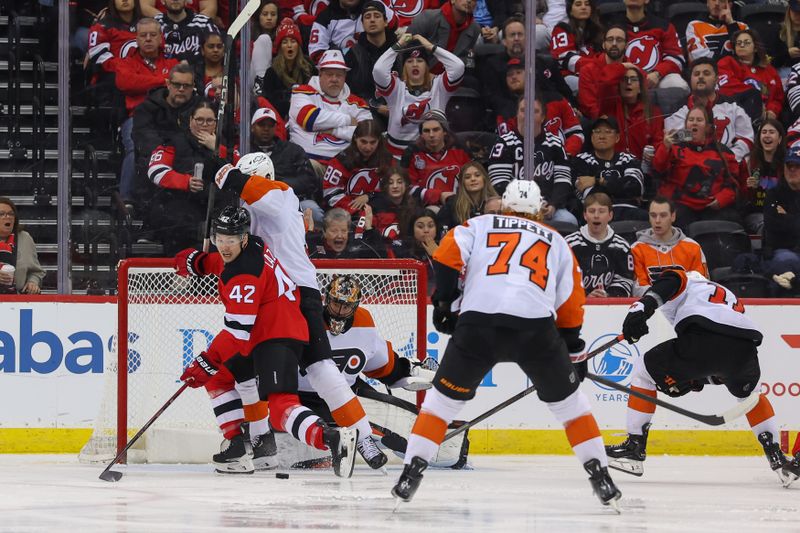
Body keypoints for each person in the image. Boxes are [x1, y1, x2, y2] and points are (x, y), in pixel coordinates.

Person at [391, 179, 621, 510]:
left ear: (504, 204)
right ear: (540, 209)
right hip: (534, 329)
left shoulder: (480, 224)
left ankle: (411, 473)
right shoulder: (556, 241)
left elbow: (446, 253)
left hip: (478, 324)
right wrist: (572, 349)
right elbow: (571, 301)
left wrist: (444, 302)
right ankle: (601, 476)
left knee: (440, 405)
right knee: (571, 407)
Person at [213, 153, 388, 468]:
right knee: (249, 369)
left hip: (291, 298)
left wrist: (222, 168)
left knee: (313, 372)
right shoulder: (257, 209)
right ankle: (263, 443)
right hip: (282, 298)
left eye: (249, 179)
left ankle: (360, 440)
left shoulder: (279, 194)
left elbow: (247, 187)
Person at [174, 207, 359, 476]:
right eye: (220, 239)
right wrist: (200, 263)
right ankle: (249, 447)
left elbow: (237, 333)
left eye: (231, 240)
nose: (225, 246)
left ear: (243, 239)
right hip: (271, 332)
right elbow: (226, 262)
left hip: (276, 336)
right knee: (222, 377)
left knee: (281, 404)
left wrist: (206, 361)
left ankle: (331, 438)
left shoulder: (245, 277)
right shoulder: (255, 246)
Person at [606, 268, 800, 488]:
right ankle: (777, 459)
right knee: (750, 397)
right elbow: (719, 363)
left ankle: (634, 447)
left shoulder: (686, 280)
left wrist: (641, 308)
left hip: (705, 336)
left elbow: (673, 279)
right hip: (744, 349)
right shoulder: (721, 293)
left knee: (643, 371)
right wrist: (696, 379)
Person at [104, 17, 179, 205]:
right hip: (136, 118)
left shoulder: (173, 63)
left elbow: (179, 86)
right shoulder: (125, 62)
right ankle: (126, 200)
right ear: (135, 39)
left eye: (153, 35)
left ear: (161, 38)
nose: (148, 39)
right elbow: (126, 82)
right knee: (133, 148)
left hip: (169, 117)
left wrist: (144, 81)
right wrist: (163, 82)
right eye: (143, 35)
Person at [145, 100, 230, 254]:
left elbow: (243, 169)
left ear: (216, 124)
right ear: (190, 120)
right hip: (181, 210)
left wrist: (218, 149)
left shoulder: (226, 145)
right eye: (199, 120)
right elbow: (156, 170)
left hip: (216, 210)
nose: (204, 124)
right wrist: (186, 182)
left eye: (209, 120)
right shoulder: (174, 141)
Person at [487, 96, 578, 225]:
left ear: (543, 117)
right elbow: (499, 183)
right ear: (517, 114)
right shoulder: (504, 143)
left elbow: (563, 180)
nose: (528, 115)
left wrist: (553, 205)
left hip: (548, 207)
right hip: (513, 208)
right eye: (523, 110)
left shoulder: (555, 143)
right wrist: (528, 205)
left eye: (534, 111)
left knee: (569, 221)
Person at [373, 33, 465, 158]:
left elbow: (458, 66)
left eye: (420, 60)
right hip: (396, 156)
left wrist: (430, 46)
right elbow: (379, 70)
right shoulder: (396, 88)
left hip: (430, 155)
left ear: (427, 66)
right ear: (404, 66)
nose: (415, 64)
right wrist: (398, 45)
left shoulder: (440, 87)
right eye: (409, 61)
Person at [654, 105, 744, 229]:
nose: (694, 123)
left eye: (699, 120)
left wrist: (722, 199)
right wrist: (665, 147)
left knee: (732, 220)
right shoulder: (674, 146)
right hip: (681, 206)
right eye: (691, 120)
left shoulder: (723, 152)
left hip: (712, 207)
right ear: (686, 125)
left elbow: (734, 184)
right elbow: (658, 169)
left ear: (707, 127)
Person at [288, 49, 372, 171]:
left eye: (339, 75)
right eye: (329, 74)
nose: (334, 79)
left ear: (345, 77)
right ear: (320, 74)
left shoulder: (358, 103)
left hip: (346, 169)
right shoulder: (302, 92)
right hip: (307, 165)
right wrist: (348, 120)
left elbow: (367, 135)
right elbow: (310, 119)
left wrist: (332, 130)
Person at [133, 62, 200, 206]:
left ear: (193, 86)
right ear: (168, 84)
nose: (181, 89)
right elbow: (144, 139)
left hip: (191, 165)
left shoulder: (201, 108)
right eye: (177, 85)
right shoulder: (146, 108)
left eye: (187, 86)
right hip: (157, 164)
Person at [665, 58, 754, 163]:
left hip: (728, 166)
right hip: (691, 166)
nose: (701, 77)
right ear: (690, 79)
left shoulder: (733, 106)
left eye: (706, 73)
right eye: (696, 74)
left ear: (716, 79)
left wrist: (728, 158)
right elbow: (674, 139)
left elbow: (746, 139)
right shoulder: (678, 108)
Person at [589, 37, 664, 160]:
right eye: (624, 79)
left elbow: (658, 142)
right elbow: (605, 81)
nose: (628, 83)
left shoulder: (654, 113)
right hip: (614, 166)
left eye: (633, 79)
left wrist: (654, 153)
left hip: (642, 167)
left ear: (640, 87)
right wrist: (623, 66)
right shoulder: (609, 105)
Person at [611, 0, 689, 116]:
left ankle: (675, 124)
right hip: (624, 77)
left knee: (678, 84)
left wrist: (657, 73)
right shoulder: (613, 27)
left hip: (657, 77)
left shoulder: (664, 26)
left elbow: (676, 58)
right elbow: (608, 58)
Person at [249, 107, 321, 223]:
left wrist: (279, 184)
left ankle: (313, 241)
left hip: (291, 201)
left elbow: (308, 180)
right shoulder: (245, 150)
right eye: (262, 125)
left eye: (270, 125)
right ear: (252, 127)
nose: (266, 129)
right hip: (255, 203)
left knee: (313, 211)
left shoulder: (293, 150)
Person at [571, 116, 646, 222]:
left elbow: (635, 187)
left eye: (608, 132)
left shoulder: (628, 159)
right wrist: (620, 187)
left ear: (617, 138)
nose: (602, 136)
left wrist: (597, 181)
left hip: (631, 212)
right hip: (598, 214)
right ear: (591, 137)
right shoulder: (581, 160)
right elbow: (591, 196)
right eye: (597, 132)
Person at [631, 196, 709, 296]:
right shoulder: (637, 249)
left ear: (673, 216)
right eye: (653, 215)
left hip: (686, 306)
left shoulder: (692, 247)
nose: (657, 220)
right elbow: (639, 287)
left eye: (663, 215)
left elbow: (702, 284)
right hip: (652, 307)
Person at [565, 192, 634, 297]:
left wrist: (608, 296)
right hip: (577, 304)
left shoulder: (621, 246)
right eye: (592, 211)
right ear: (585, 215)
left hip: (611, 308)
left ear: (610, 215)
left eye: (601, 211)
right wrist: (585, 295)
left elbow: (626, 280)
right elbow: (563, 279)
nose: (596, 216)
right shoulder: (569, 244)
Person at [400, 111, 471, 209]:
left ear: (445, 131)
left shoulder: (460, 151)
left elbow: (473, 178)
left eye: (436, 129)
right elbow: (407, 187)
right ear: (421, 134)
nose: (431, 135)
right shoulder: (412, 154)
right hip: (426, 208)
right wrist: (438, 195)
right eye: (426, 131)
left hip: (461, 205)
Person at [322, 119, 393, 214]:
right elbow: (329, 192)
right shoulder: (341, 161)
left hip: (378, 209)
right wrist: (357, 212)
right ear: (355, 138)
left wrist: (370, 196)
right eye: (363, 142)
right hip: (346, 214)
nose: (368, 147)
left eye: (373, 142)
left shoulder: (387, 159)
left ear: (379, 141)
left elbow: (394, 188)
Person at [717, 29, 784, 122]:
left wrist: (772, 110)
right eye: (738, 43)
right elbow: (726, 87)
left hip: (764, 120)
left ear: (755, 48)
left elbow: (777, 97)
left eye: (746, 42)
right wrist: (756, 98)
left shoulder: (769, 70)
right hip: (735, 113)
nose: (742, 45)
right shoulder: (727, 62)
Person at [763, 146, 800, 294]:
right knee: (786, 261)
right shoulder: (773, 194)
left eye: (797, 166)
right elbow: (772, 226)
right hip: (782, 250)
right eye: (789, 166)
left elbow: (785, 225)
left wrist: (787, 218)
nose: (792, 170)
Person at [308, 0, 396, 63]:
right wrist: (343, 58)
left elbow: (393, 24)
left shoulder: (373, 5)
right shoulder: (324, 17)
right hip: (342, 70)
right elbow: (316, 53)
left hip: (377, 62)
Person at [260, 17, 314, 118]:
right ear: (280, 47)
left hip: (307, 115)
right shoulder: (272, 72)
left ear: (298, 45)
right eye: (285, 42)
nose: (289, 45)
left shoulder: (309, 67)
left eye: (293, 41)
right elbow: (270, 102)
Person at [344, 1, 397, 104]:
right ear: (363, 24)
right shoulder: (354, 54)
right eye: (367, 17)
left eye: (377, 16)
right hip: (365, 110)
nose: (372, 20)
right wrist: (376, 107)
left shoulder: (399, 50)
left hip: (400, 109)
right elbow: (347, 92)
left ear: (385, 22)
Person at [549, 0, 603, 93]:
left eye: (587, 4)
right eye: (578, 4)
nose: (583, 7)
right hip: (568, 79)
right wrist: (598, 64)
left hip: (594, 76)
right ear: (570, 11)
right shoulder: (562, 29)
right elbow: (565, 59)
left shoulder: (598, 32)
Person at [436, 161, 498, 237]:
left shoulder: (496, 203)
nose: (473, 179)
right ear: (462, 182)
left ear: (484, 178)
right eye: (467, 177)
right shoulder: (452, 203)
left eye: (477, 175)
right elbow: (444, 230)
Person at [744, 119, 785, 235]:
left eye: (771, 132)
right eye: (764, 132)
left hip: (781, 212)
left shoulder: (788, 164)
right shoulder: (748, 162)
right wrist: (748, 188)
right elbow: (740, 197)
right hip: (755, 214)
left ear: (780, 139)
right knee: (767, 224)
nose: (767, 135)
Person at [0, 197, 44, 295]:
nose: (8, 217)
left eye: (11, 214)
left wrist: (32, 283)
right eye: (1, 214)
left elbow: (36, 272)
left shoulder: (25, 238)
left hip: (17, 302)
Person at [306, 207, 385, 258]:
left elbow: (381, 255)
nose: (339, 235)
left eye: (344, 231)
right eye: (334, 231)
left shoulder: (356, 246)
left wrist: (369, 229)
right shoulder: (315, 243)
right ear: (324, 232)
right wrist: (308, 231)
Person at [155, 0, 219, 62]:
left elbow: (217, 52)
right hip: (163, 72)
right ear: (162, 1)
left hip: (197, 71)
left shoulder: (204, 23)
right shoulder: (155, 24)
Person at [371, 167, 419, 245]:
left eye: (399, 182)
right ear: (385, 186)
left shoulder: (415, 207)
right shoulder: (375, 206)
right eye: (390, 183)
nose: (395, 186)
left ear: (406, 185)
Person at [250, 0, 280, 93]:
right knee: (264, 39)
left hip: (274, 82)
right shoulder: (248, 35)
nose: (269, 18)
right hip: (250, 78)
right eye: (265, 14)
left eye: (273, 14)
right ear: (258, 16)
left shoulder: (282, 37)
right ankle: (259, 85)